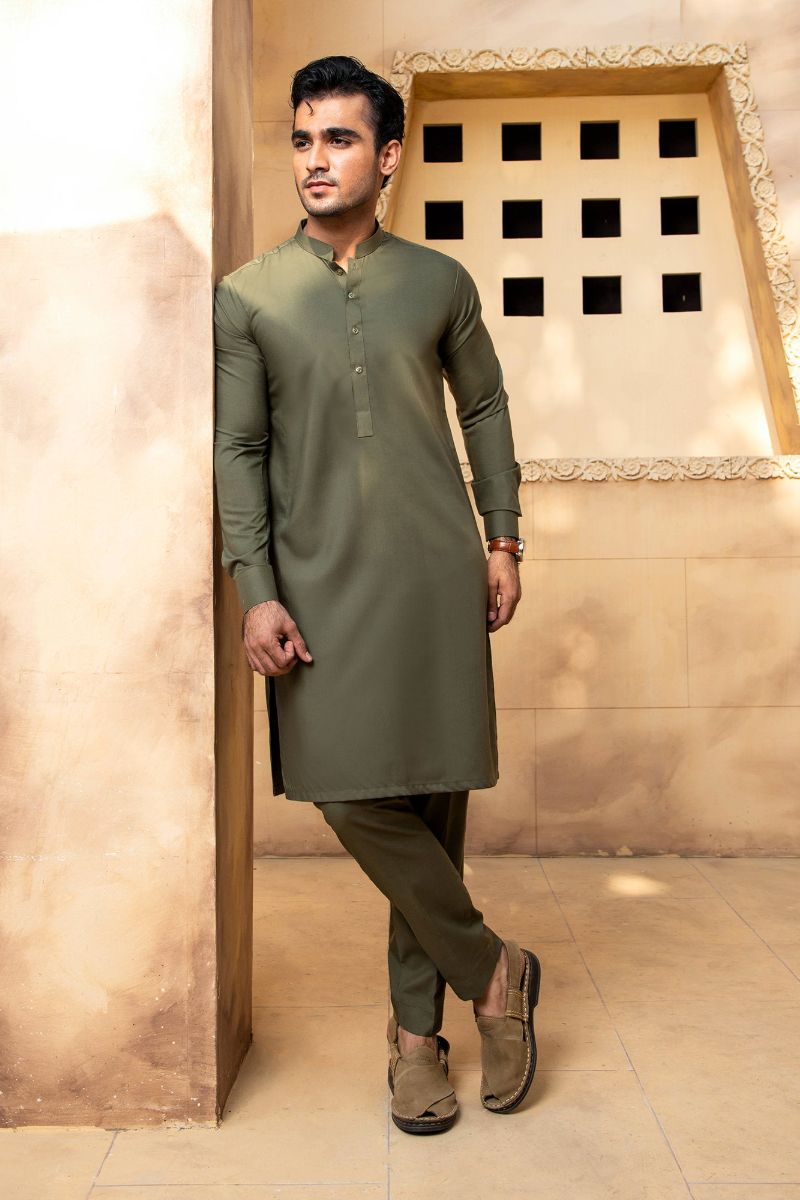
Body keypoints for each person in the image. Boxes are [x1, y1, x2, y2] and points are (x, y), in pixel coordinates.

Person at [213, 54, 541, 1134]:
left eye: (339, 138)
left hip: (433, 573)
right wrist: (255, 590)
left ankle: (415, 1044)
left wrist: (502, 537)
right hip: (313, 582)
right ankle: (494, 972)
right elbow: (238, 450)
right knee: (350, 794)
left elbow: (483, 409)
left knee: (430, 802)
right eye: (302, 139)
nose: (315, 159)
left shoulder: (439, 283)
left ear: (387, 154)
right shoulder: (248, 296)